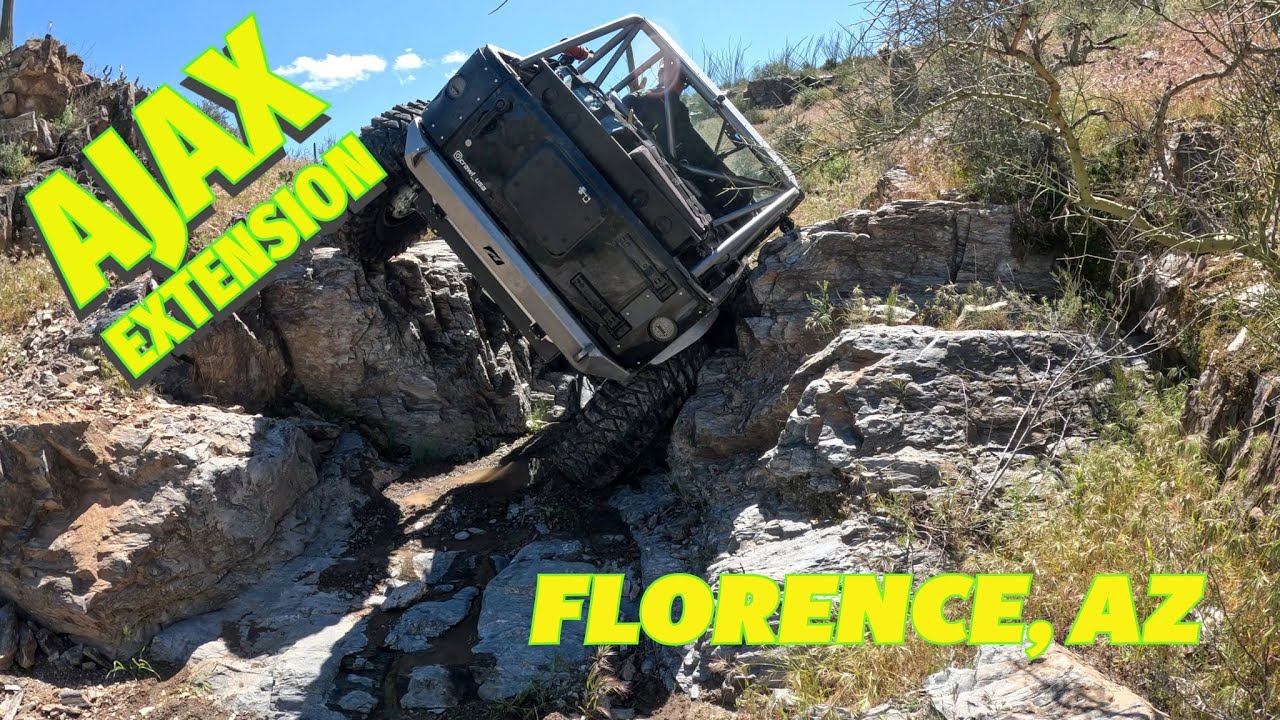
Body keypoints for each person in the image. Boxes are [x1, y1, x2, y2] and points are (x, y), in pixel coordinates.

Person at [622, 58, 751, 217]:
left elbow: (697, 147)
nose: (680, 85)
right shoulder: (664, 105)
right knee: (740, 193)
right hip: (686, 179)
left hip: (684, 176)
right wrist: (725, 173)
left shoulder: (644, 101)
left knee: (740, 191)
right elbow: (699, 150)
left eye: (679, 77)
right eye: (664, 71)